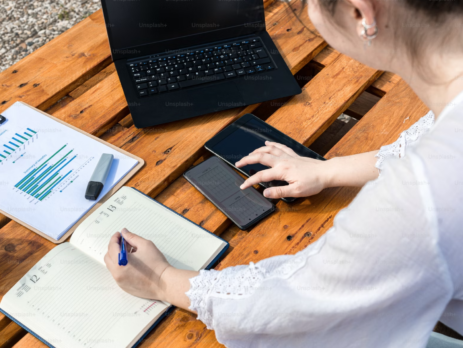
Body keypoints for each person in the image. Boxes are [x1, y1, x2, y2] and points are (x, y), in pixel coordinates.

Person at [104, 0, 463, 346]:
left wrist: (161, 279)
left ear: (360, 12)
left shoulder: (421, 203)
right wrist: (330, 169)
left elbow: (295, 304)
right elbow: (429, 142)